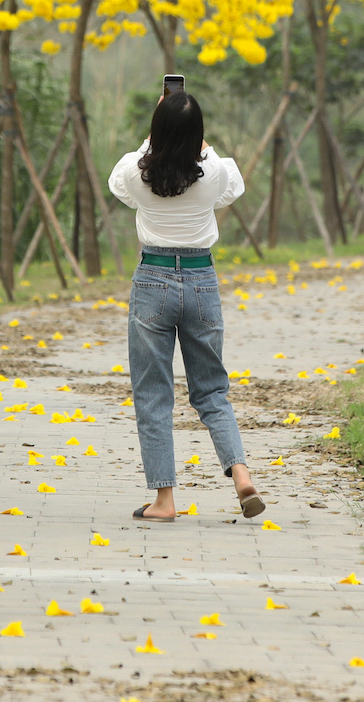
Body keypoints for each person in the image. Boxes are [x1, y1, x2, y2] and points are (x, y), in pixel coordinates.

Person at [107, 88, 263, 522]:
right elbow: (233, 182)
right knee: (212, 390)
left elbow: (119, 180)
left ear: (156, 131)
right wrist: (201, 144)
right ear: (199, 136)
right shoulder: (213, 173)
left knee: (154, 394)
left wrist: (153, 137)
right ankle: (242, 475)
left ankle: (164, 500)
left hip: (153, 280)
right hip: (201, 281)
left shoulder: (135, 174)